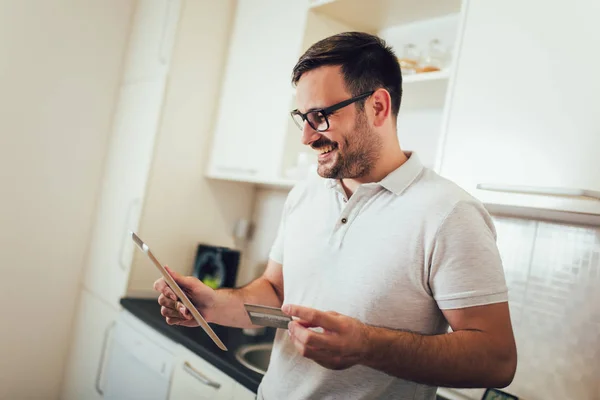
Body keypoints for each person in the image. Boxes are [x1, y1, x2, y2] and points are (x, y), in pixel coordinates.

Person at [154, 32, 517, 399]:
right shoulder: (307, 191)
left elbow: (497, 360)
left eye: (321, 116)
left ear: (378, 106)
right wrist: (213, 305)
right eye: (303, 118)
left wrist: (367, 346)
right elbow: (276, 292)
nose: (307, 138)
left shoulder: (449, 213)